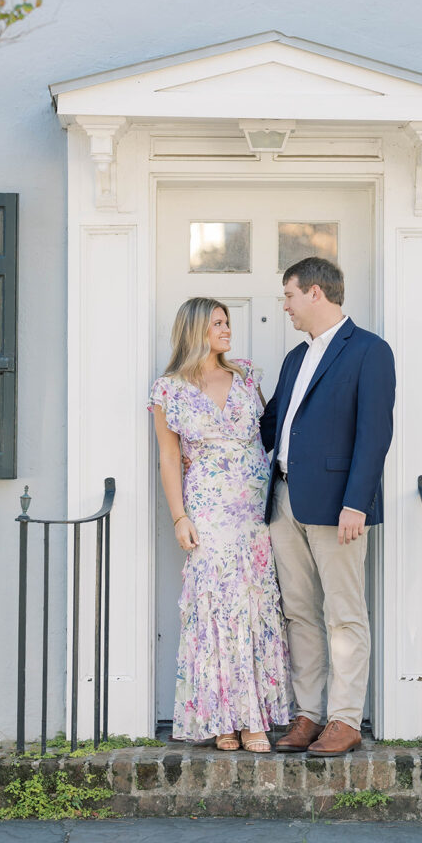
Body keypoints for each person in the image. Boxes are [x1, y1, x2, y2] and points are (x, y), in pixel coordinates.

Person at [260, 257, 395, 757]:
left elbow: (374, 434)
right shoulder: (295, 357)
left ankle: (344, 719)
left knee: (344, 613)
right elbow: (271, 424)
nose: (286, 306)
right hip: (284, 500)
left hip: (339, 508)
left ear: (315, 293)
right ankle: (308, 714)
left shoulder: (369, 351)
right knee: (298, 612)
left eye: (289, 296)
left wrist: (356, 503)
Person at [148, 297, 291, 752]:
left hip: (252, 510)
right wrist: (179, 516)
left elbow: (273, 432)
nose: (227, 329)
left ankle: (254, 719)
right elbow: (169, 458)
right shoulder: (168, 389)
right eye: (218, 323)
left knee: (252, 607)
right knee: (214, 610)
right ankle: (221, 719)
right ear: (195, 330)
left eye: (228, 322)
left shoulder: (247, 375)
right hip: (207, 509)